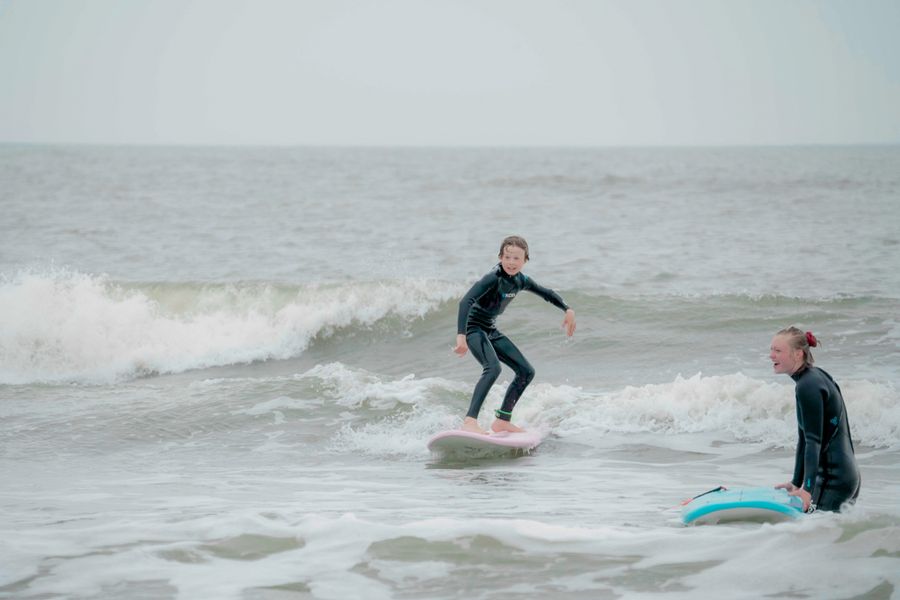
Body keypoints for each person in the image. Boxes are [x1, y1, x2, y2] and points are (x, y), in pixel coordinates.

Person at [454, 235, 576, 435]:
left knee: (526, 371)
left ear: (525, 260)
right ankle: (469, 421)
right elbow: (465, 301)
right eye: (507, 257)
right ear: (500, 257)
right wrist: (461, 336)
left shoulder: (521, 280)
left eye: (516, 258)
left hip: (490, 329)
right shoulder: (493, 277)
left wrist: (567, 309)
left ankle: (502, 420)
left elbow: (547, 293)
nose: (511, 262)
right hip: (474, 328)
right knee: (492, 369)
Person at [770, 327, 860, 512]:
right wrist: (797, 482)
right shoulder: (815, 377)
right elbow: (804, 438)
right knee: (823, 537)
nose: (771, 356)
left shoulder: (807, 386)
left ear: (798, 354)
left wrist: (807, 490)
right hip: (844, 476)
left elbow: (813, 441)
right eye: (771, 350)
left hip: (832, 480)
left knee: (810, 535)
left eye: (778, 351)